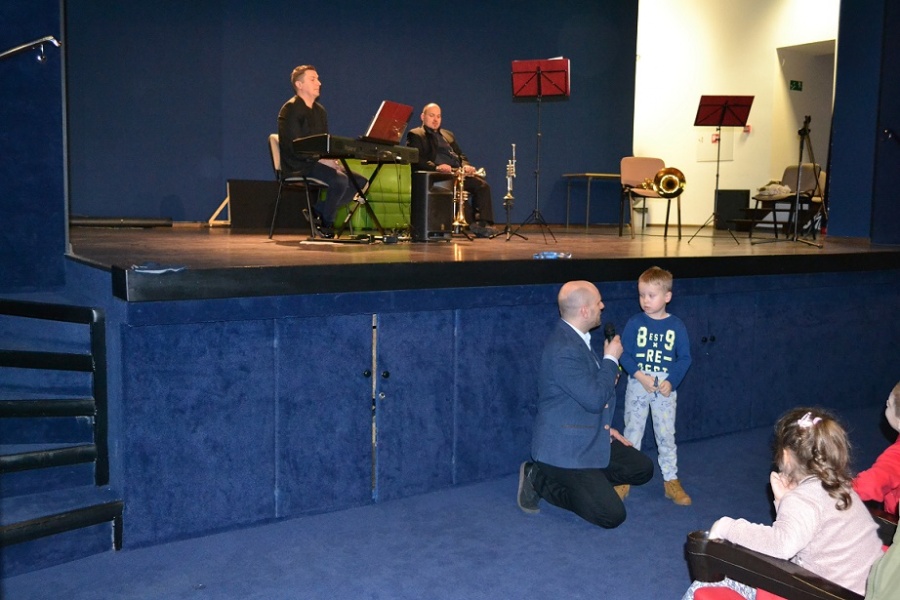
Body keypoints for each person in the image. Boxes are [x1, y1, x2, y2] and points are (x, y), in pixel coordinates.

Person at [681, 407, 884, 600]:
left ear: (786, 456)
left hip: (824, 593)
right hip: (869, 589)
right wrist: (784, 502)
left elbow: (782, 545)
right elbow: (807, 533)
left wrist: (727, 527)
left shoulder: (803, 500)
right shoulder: (842, 488)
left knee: (704, 586)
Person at [517, 280, 654, 528]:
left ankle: (588, 482)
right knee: (611, 515)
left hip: (586, 433)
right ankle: (538, 478)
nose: (602, 306)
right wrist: (611, 358)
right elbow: (594, 399)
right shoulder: (563, 349)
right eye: (598, 302)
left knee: (642, 469)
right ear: (584, 311)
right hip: (563, 449)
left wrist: (605, 429)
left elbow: (583, 392)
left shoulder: (577, 338)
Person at [619, 266, 693, 505]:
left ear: (667, 296)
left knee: (666, 434)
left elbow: (684, 358)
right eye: (642, 295)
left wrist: (671, 381)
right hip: (638, 384)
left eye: (651, 295)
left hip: (664, 388)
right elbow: (624, 354)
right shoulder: (635, 322)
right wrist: (640, 376)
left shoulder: (676, 326)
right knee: (632, 431)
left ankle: (671, 480)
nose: (645, 300)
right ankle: (624, 477)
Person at [277, 64, 367, 238]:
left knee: (359, 181)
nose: (319, 83)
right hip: (298, 164)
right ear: (299, 84)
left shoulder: (320, 111)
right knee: (340, 180)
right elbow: (294, 147)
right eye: (313, 79)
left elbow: (323, 143)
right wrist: (321, 159)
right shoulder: (290, 109)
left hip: (316, 161)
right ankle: (327, 222)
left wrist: (331, 159)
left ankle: (318, 211)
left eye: (318, 79)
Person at [406, 103, 496, 237]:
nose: (435, 119)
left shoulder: (448, 134)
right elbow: (417, 158)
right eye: (432, 116)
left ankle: (483, 223)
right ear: (422, 117)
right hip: (438, 176)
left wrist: (465, 165)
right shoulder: (415, 134)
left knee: (482, 186)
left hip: (456, 173)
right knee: (456, 192)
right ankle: (472, 226)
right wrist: (437, 167)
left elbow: (461, 155)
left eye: (438, 116)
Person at [853, 380, 900, 516]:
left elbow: (870, 484)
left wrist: (835, 489)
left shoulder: (896, 455)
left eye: (889, 405)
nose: (886, 404)